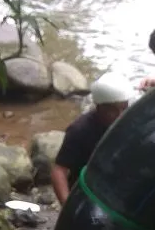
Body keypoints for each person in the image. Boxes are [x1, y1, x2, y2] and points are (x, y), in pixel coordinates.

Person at [51, 72, 132, 206]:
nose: (119, 115)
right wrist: (67, 206)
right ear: (99, 107)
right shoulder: (80, 130)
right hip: (87, 190)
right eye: (112, 110)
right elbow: (60, 170)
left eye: (124, 108)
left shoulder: (128, 120)